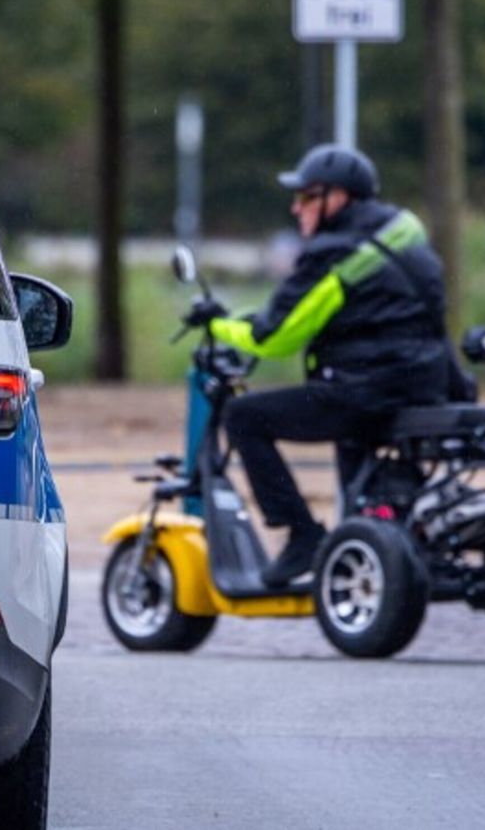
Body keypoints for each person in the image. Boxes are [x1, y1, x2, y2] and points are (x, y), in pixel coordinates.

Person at [182, 144, 452, 586]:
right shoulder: (402, 239)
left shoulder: (336, 250)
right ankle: (383, 531)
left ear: (338, 198)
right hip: (425, 386)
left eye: (307, 197)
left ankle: (302, 535)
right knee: (350, 436)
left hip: (368, 389)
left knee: (244, 416)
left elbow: (275, 337)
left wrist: (220, 323)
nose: (296, 207)